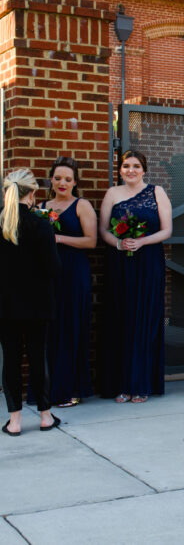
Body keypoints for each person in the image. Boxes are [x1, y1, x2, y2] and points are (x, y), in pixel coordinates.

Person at [99, 150, 172, 403]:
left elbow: (167, 230)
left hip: (149, 261)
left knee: (145, 318)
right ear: (120, 170)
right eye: (126, 166)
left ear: (144, 169)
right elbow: (103, 229)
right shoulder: (112, 194)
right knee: (121, 318)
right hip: (120, 263)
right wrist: (118, 244)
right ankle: (122, 384)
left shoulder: (156, 192)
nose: (131, 170)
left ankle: (141, 383)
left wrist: (142, 242)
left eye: (136, 166)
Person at [0, 169, 62, 435]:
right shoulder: (41, 225)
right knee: (38, 358)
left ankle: (14, 421)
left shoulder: (1, 225)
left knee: (11, 361)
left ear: (7, 192)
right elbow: (53, 268)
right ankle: (45, 416)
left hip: (5, 305)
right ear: (33, 194)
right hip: (38, 304)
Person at [42, 157, 97, 407]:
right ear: (51, 180)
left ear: (75, 182)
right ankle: (48, 389)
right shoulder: (41, 206)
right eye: (57, 178)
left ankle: (71, 389)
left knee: (72, 328)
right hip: (48, 275)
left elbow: (91, 241)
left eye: (67, 179)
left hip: (75, 273)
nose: (62, 183)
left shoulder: (81, 205)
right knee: (49, 330)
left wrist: (59, 239)